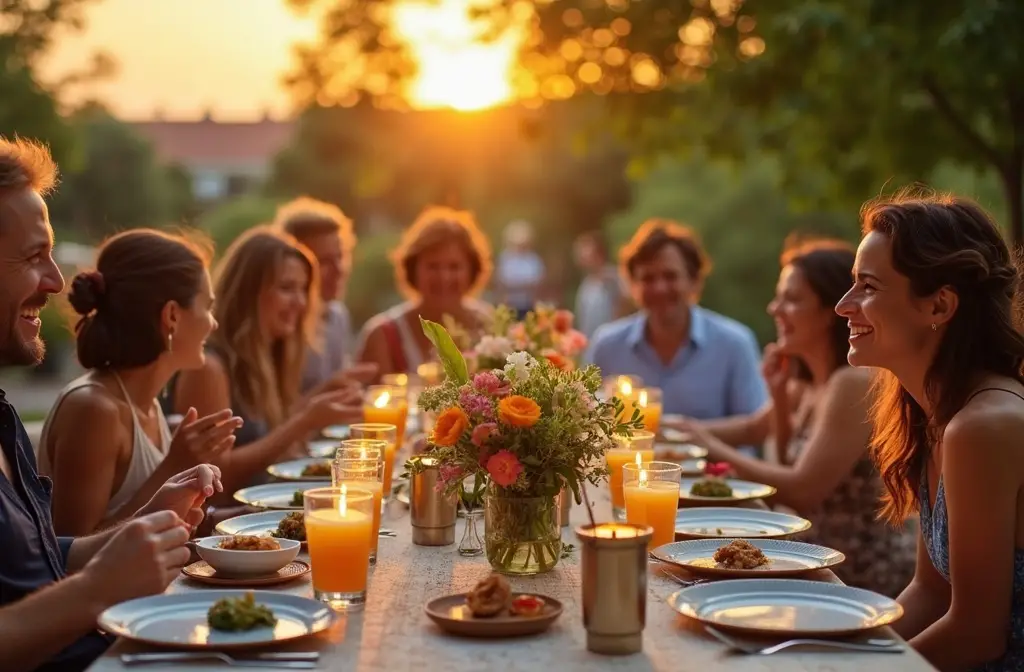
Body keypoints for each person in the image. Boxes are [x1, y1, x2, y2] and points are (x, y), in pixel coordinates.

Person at [0, 136, 221, 672]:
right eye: (35, 256)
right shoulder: (93, 406)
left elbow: (43, 562)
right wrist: (99, 588)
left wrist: (147, 520)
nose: (57, 281)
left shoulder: (1, 414)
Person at [835, 193, 1024, 670]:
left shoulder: (984, 427)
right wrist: (842, 654)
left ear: (939, 304)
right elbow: (931, 591)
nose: (843, 306)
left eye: (868, 286)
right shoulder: (935, 413)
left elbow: (977, 634)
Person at [672, 237, 915, 596]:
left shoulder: (852, 383)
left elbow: (801, 490)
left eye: (792, 299)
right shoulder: (804, 381)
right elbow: (755, 429)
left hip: (854, 572)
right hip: (806, 554)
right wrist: (672, 431)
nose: (774, 308)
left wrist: (705, 443)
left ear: (828, 309)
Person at [38, 229, 241, 535]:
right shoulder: (94, 410)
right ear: (172, 315)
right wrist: (173, 469)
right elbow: (70, 554)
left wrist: (257, 516)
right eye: (208, 307)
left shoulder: (144, 403)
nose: (213, 323)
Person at [172, 226, 362, 495]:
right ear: (247, 292)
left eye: (304, 289)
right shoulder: (209, 366)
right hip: (227, 526)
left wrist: (325, 395)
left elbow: (274, 438)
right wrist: (303, 421)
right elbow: (213, 478)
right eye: (286, 288)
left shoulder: (271, 356)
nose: (300, 302)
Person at [585, 218, 767, 421]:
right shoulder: (607, 346)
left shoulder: (734, 344)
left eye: (670, 276)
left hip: (715, 454)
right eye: (648, 278)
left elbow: (755, 427)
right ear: (632, 286)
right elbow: (587, 422)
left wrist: (686, 434)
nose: (660, 288)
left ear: (694, 281)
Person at [358, 206, 493, 375]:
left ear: (472, 270)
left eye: (454, 267)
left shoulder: (490, 327)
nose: (444, 277)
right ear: (413, 269)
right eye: (433, 266)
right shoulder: (383, 336)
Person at [273, 197, 376, 392]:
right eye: (325, 262)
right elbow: (271, 418)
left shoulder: (337, 316)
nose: (339, 270)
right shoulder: (282, 322)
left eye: (341, 256)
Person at [573, 230, 626, 338]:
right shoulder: (586, 284)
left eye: (585, 251)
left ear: (599, 254)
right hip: (591, 346)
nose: (581, 256)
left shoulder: (614, 278)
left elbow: (624, 308)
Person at [495, 219, 544, 318]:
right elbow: (502, 281)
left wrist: (515, 285)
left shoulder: (533, 259)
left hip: (528, 305)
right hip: (509, 305)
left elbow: (537, 282)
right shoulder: (505, 258)